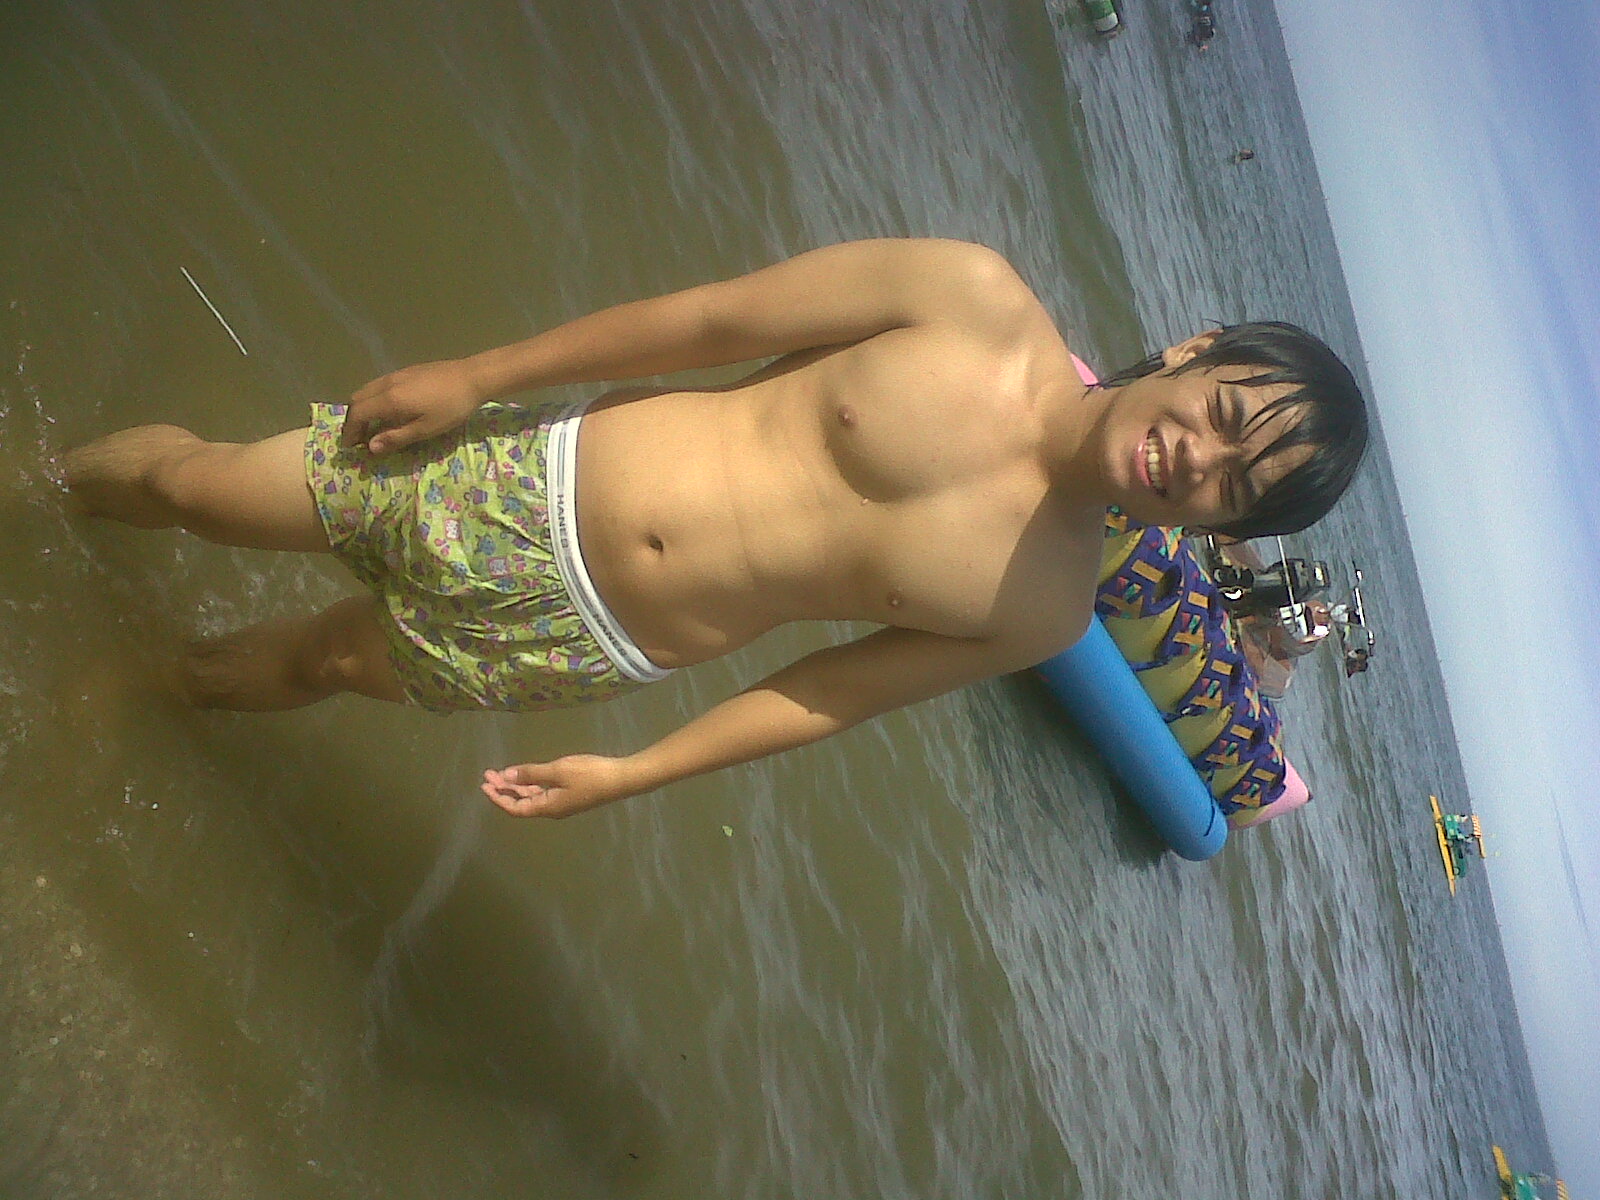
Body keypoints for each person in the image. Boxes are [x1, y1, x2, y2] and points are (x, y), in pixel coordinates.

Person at [66, 238, 1367, 819]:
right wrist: (476, 374)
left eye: (1234, 488)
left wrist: (635, 774)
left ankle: (122, 691)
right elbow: (708, 322)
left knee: (327, 662)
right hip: (523, 481)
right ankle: (51, 485)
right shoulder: (971, 297)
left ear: (1226, 528)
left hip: (586, 642)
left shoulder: (1046, 607)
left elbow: (828, 692)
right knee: (205, 494)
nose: (1196, 459)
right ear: (1196, 351)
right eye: (1222, 414)